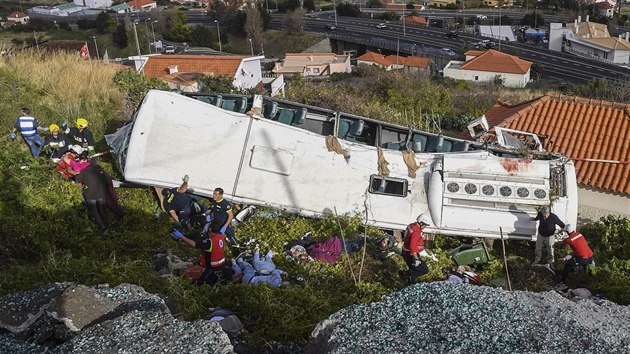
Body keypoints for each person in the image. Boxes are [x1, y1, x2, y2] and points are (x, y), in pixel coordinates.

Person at [74, 161, 111, 230]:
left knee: (94, 211)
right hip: (100, 193)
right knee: (101, 209)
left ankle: (101, 226)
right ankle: (106, 222)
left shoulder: (84, 171)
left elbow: (77, 181)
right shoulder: (101, 171)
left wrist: (76, 174)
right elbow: (108, 181)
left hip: (90, 194)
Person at [402, 214, 438, 283]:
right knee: (424, 269)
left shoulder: (411, 225)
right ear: (421, 222)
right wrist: (416, 259)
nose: (425, 227)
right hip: (410, 254)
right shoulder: (416, 232)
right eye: (425, 225)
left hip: (406, 252)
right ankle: (405, 275)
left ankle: (410, 280)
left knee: (413, 268)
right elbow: (412, 246)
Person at [287, 233, 367, 264]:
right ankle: (361, 241)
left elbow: (321, 254)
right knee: (352, 247)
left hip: (337, 247)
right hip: (336, 244)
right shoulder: (310, 250)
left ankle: (364, 240)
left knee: (353, 248)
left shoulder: (311, 251)